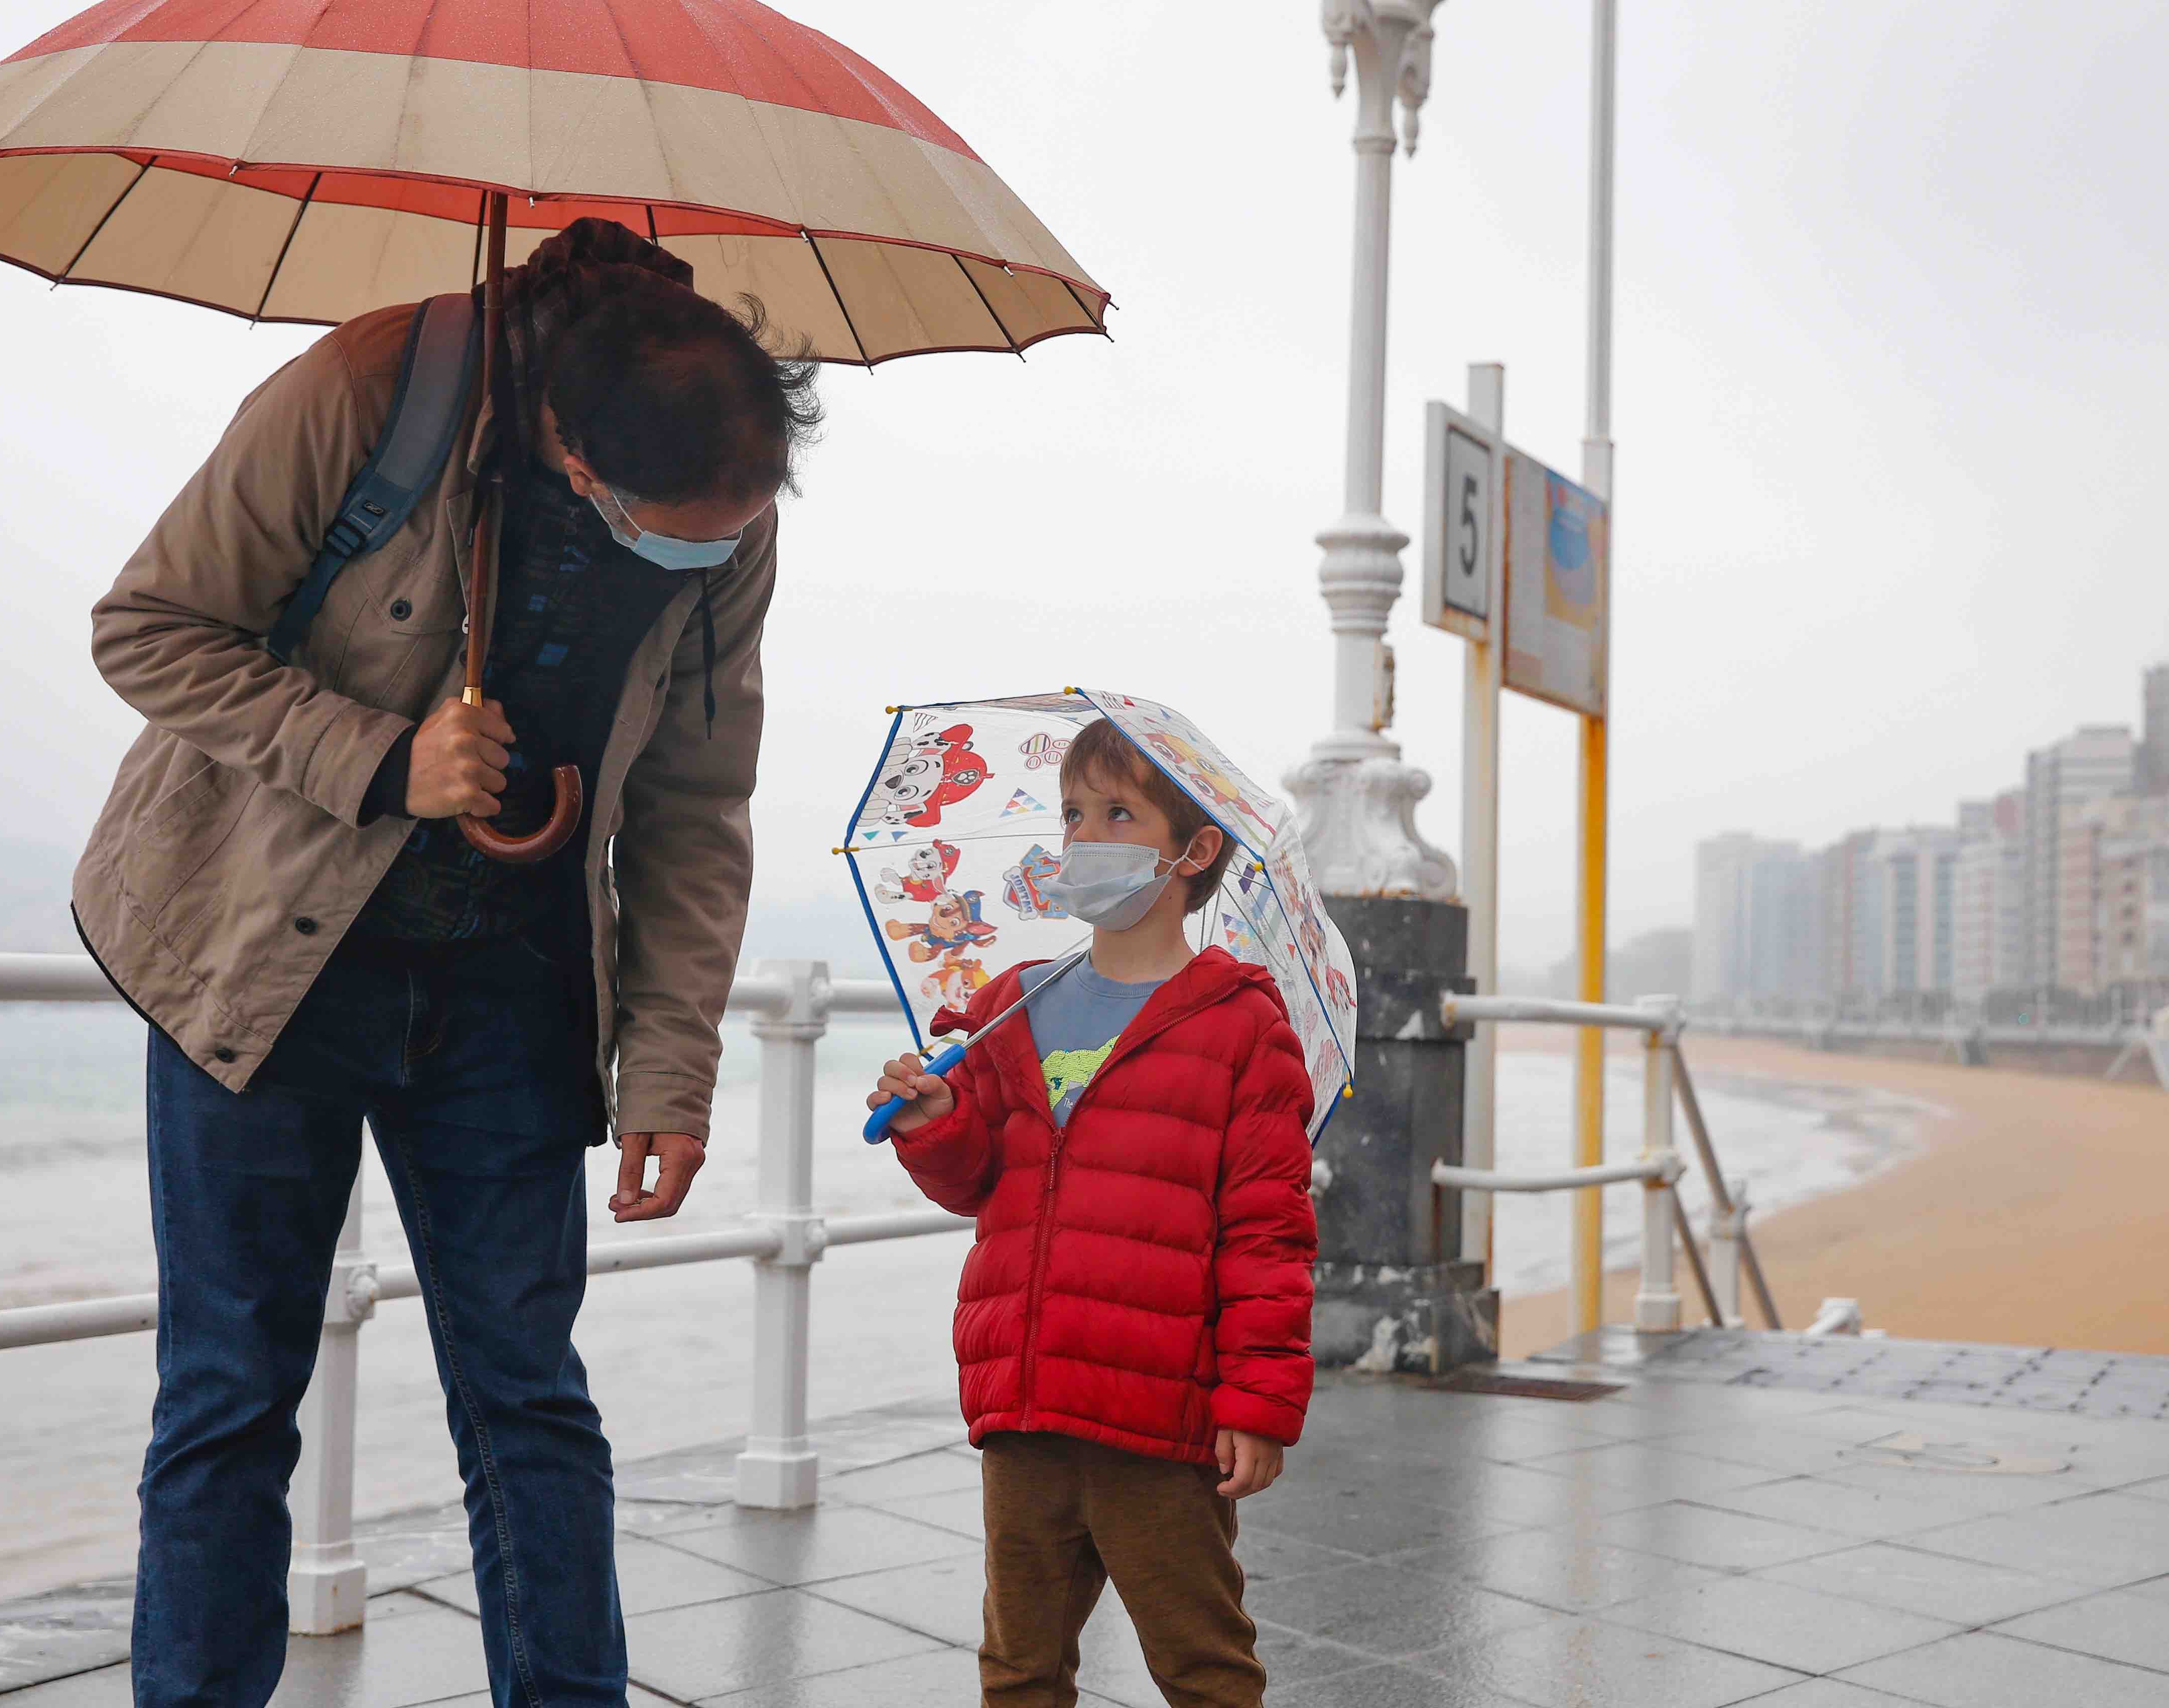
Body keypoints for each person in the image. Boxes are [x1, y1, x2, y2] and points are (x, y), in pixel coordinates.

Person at [72, 217, 820, 1708]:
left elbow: (694, 801)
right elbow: (147, 627)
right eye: (672, 525)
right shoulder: (368, 391)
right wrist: (379, 756)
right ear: (573, 451)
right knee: (229, 1401)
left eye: (729, 530)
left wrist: (671, 1063)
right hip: (261, 966)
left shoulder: (721, 495)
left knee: (532, 1401)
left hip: (511, 997)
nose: (705, 552)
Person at [869, 718, 1318, 1708]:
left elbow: (1267, 1235)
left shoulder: (1240, 1024)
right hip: (1025, 1397)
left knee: (1202, 1662)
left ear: (1193, 851)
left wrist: (1257, 1402)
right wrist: (936, 1120)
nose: (1084, 837)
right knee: (1019, 1669)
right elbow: (974, 1182)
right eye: (1073, 813)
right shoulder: (1012, 1005)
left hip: (1160, 1414)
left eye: (1119, 814)